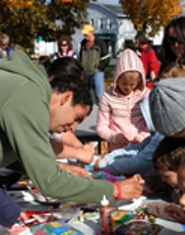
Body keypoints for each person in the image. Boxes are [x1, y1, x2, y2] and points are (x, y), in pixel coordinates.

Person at [0, 50, 143, 214]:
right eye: (77, 117)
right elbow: (50, 183)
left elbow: (15, 152)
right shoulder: (29, 98)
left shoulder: (28, 91)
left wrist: (60, 168)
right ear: (66, 98)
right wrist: (114, 189)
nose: (73, 128)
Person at [39, 56, 94, 165]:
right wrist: (77, 153)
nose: (73, 128)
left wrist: (79, 147)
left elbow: (58, 132)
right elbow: (36, 145)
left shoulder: (50, 107)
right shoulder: (34, 100)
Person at [96, 49, 150, 151]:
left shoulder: (145, 96)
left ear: (139, 81)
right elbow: (101, 126)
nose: (128, 88)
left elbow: (153, 123)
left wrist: (143, 136)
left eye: (132, 84)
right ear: (117, 78)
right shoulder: (108, 97)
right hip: (117, 149)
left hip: (142, 148)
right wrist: (114, 136)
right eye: (124, 83)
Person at [95, 96, 164, 176]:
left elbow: (138, 162)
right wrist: (109, 157)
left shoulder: (161, 137)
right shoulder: (157, 133)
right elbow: (139, 148)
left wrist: (105, 165)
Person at [146, 137, 185, 223]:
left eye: (166, 176)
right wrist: (141, 183)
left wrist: (157, 208)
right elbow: (155, 180)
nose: (163, 179)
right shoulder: (172, 185)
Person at [80, 24, 110, 102]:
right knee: (86, 96)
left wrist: (99, 68)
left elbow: (106, 58)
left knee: (100, 95)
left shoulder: (100, 43)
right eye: (84, 33)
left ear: (91, 32)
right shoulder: (83, 43)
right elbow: (81, 58)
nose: (84, 35)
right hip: (86, 73)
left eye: (86, 33)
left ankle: (104, 112)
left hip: (97, 73)